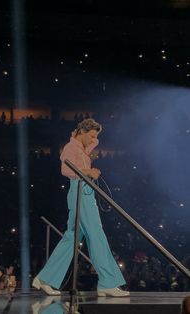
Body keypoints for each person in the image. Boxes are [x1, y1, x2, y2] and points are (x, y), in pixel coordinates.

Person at [32, 118, 130, 297]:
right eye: (90, 135)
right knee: (96, 235)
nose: (93, 139)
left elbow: (94, 142)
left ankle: (45, 279)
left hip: (83, 193)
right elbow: (66, 169)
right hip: (79, 193)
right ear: (82, 132)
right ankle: (107, 282)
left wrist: (88, 137)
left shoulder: (81, 146)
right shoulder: (71, 148)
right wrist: (89, 172)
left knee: (71, 239)